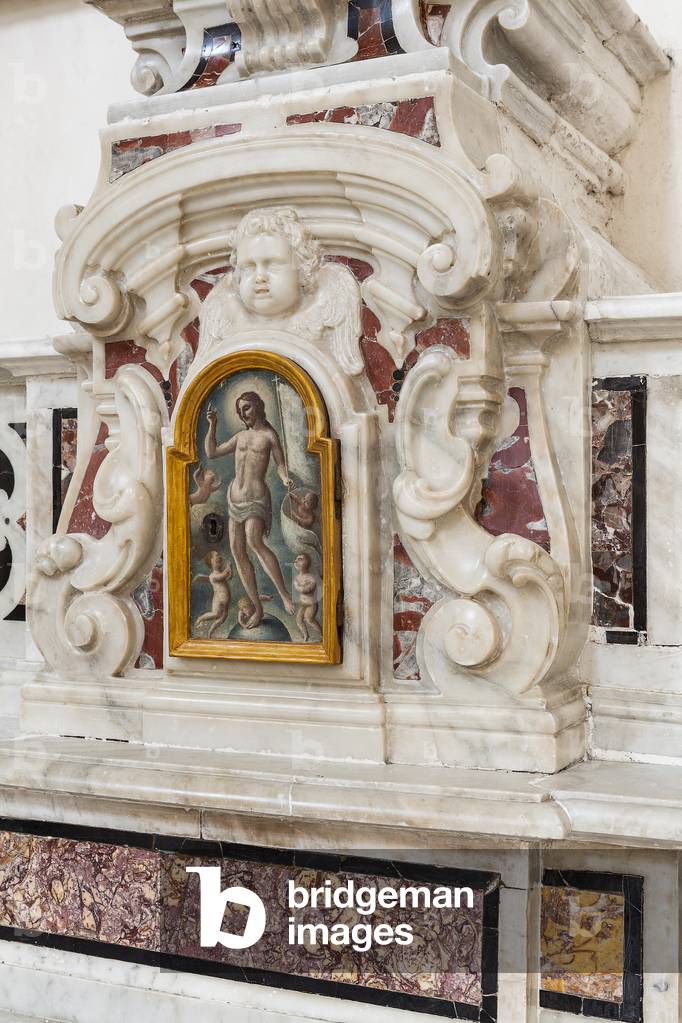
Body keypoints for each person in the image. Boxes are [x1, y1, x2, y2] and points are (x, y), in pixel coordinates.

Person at [205, 390, 295, 628]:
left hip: (256, 498)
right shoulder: (240, 437)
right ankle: (257, 605)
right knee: (236, 550)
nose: (242, 413)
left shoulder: (269, 435)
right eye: (239, 409)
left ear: (257, 407)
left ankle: (284, 594)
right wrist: (212, 425)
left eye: (246, 408)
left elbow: (280, 463)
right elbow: (211, 452)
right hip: (234, 497)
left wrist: (285, 478)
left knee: (254, 543)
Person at [192, 551, 232, 639]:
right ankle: (201, 618)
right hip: (218, 600)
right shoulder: (212, 576)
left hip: (226, 601)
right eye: (216, 556)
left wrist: (230, 570)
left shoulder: (221, 573)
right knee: (215, 614)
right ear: (211, 562)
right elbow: (223, 576)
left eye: (219, 556)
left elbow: (229, 577)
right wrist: (228, 568)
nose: (219, 557)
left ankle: (211, 631)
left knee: (223, 618)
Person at [293, 552, 321, 642]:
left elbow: (305, 590)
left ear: (307, 563)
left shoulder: (311, 577)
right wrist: (298, 585)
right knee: (298, 620)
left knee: (309, 619)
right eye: (296, 559)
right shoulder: (297, 577)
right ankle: (306, 636)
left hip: (311, 604)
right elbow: (299, 588)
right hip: (303, 604)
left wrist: (298, 586)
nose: (296, 561)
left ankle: (323, 635)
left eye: (300, 559)